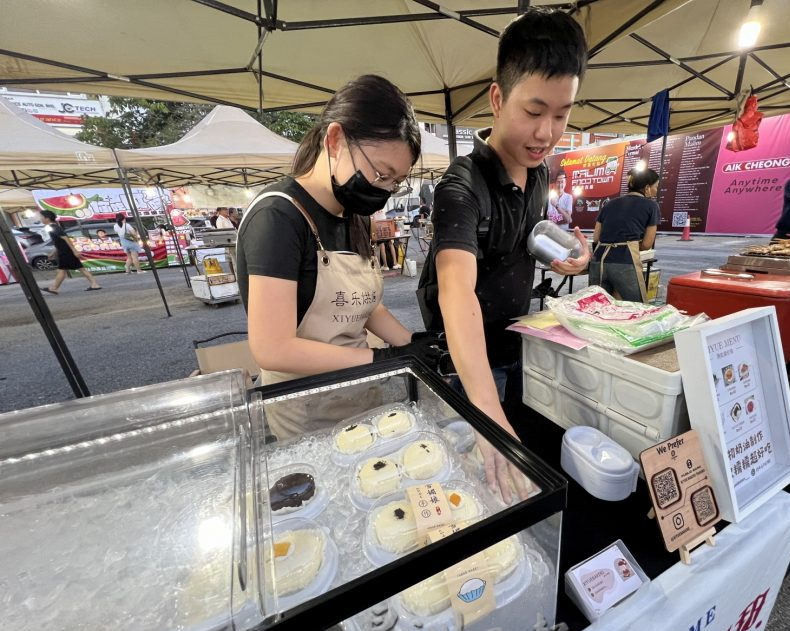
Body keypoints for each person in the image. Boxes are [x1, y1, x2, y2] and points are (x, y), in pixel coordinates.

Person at [416, 8, 589, 502]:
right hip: (467, 362)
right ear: (497, 97)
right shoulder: (461, 185)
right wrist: (486, 410)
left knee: (517, 465)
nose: (547, 133)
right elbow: (455, 291)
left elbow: (528, 232)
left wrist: (562, 255)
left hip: (517, 342)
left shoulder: (539, 173)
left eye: (562, 114)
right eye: (534, 112)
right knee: (474, 482)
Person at [236, 75, 442, 440]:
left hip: (360, 391)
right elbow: (272, 348)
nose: (384, 191)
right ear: (335, 140)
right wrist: (383, 359)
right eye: (381, 173)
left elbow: (366, 306)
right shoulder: (279, 218)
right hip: (307, 407)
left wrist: (410, 344)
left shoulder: (353, 213)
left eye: (395, 182)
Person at [590, 167, 660, 303]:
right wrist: (630, 245)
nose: (656, 191)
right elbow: (647, 244)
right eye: (655, 187)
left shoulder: (609, 204)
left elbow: (596, 238)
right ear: (646, 188)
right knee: (634, 308)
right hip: (625, 263)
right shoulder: (651, 206)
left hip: (599, 262)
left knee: (597, 308)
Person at [39, 210, 102, 294]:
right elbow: (59, 242)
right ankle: (95, 284)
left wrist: (75, 251)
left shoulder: (53, 227)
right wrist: (54, 252)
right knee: (78, 268)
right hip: (65, 251)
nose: (40, 219)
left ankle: (54, 288)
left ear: (47, 218)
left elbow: (66, 239)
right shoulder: (52, 227)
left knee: (62, 270)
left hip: (66, 252)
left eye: (41, 217)